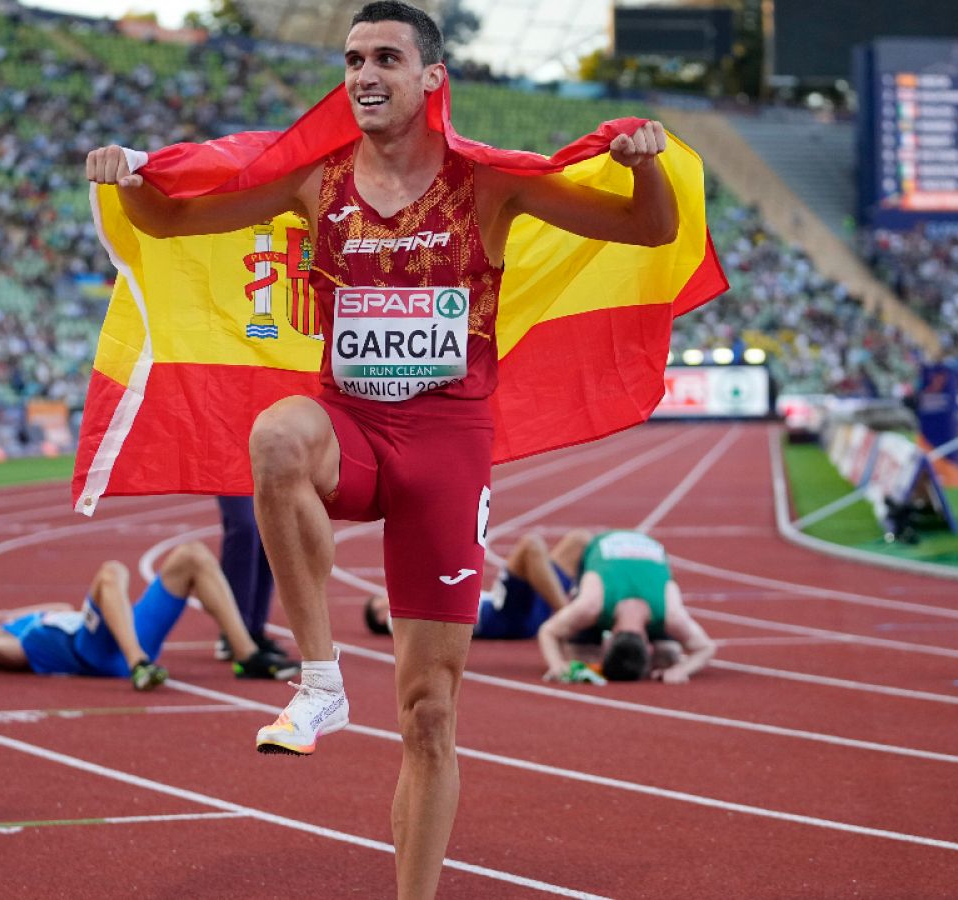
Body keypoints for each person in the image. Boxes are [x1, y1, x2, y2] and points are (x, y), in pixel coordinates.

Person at [85, 2, 680, 895]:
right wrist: (127, 176)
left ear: (432, 79)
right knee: (278, 435)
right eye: (354, 58)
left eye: (387, 58)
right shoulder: (314, 181)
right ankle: (319, 678)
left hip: (447, 449)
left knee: (429, 715)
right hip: (351, 429)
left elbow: (648, 230)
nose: (364, 73)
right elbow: (170, 225)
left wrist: (648, 165)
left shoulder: (485, 183)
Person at [0, 541, 300, 686]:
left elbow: (62, 608)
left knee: (192, 556)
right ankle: (139, 665)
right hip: (102, 654)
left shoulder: (23, 621)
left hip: (125, 633)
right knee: (112, 570)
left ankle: (246, 654)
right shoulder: (7, 648)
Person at [536, 530, 716, 684]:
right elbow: (547, 632)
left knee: (668, 657)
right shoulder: (590, 604)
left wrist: (682, 670)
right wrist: (556, 665)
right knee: (580, 656)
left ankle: (655, 656)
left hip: (646, 548)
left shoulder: (671, 614)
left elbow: (707, 647)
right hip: (603, 544)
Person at [363, 529, 591, 639]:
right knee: (531, 546)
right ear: (381, 614)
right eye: (380, 600)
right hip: (502, 616)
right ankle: (568, 619)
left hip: (520, 609)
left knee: (579, 541)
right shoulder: (397, 618)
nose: (386, 595)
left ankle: (589, 610)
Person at [213, 496, 288, 663]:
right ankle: (234, 631)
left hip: (270, 469)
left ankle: (255, 630)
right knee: (244, 527)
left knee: (268, 529)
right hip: (231, 470)